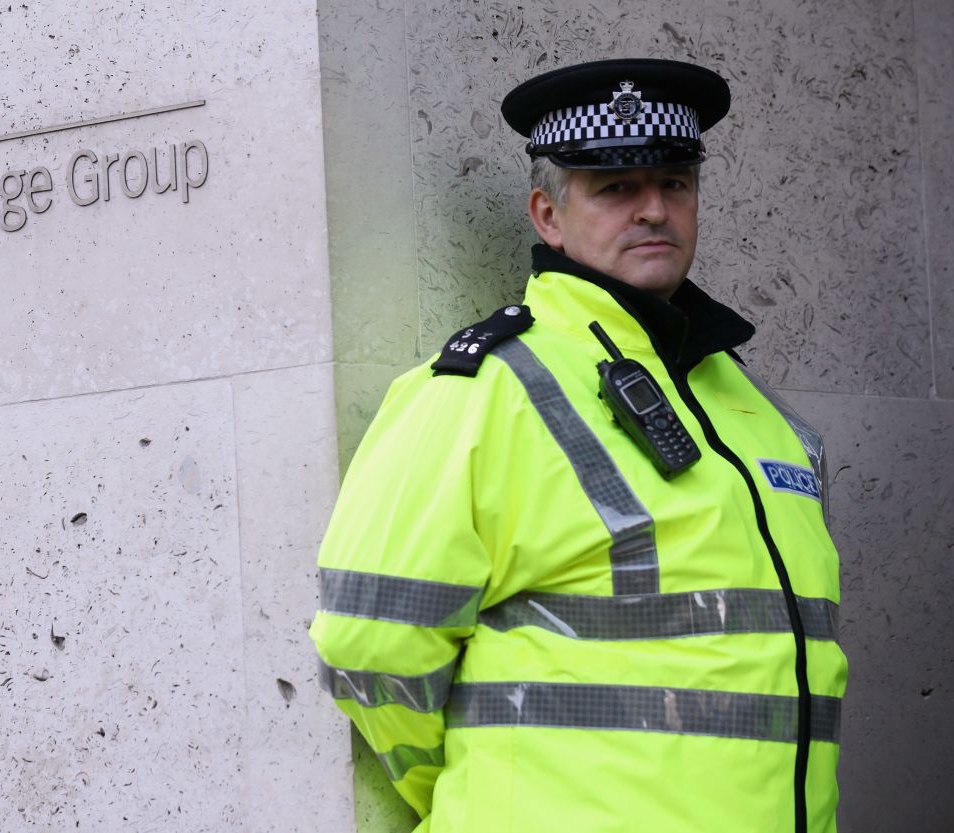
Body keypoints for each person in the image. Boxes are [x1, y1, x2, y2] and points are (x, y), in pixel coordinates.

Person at [309, 58, 847, 833]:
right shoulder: (480, 387)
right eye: (616, 188)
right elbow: (370, 641)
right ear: (548, 214)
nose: (654, 210)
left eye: (675, 183)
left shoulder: (752, 405)